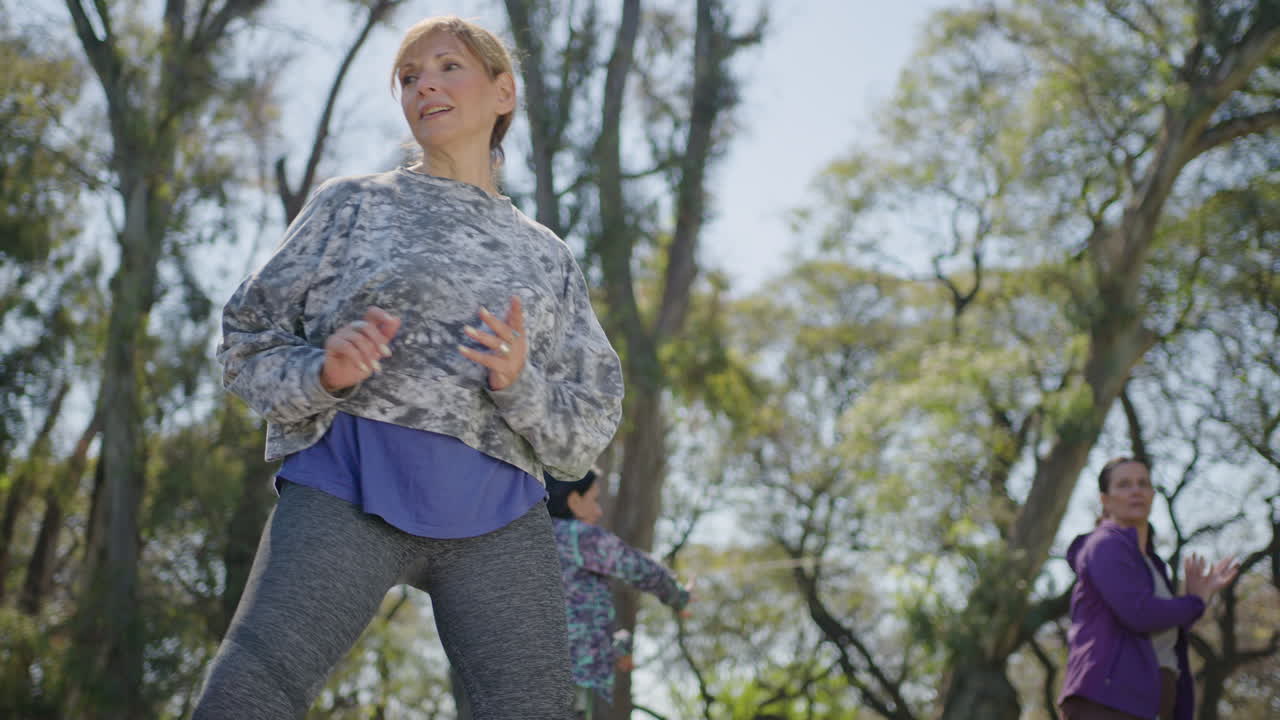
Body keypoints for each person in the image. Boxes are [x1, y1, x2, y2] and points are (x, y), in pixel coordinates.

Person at [193, 15, 623, 720]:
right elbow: (244, 340)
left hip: (499, 519)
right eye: (408, 76)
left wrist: (521, 384)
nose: (424, 83)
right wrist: (322, 373)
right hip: (346, 489)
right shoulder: (352, 204)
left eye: (447, 66)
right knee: (248, 695)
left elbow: (588, 425)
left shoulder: (546, 254)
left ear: (503, 91)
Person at [1058, 457, 1239, 720]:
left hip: (1148, 703)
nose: (1136, 490)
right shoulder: (1105, 545)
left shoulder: (1152, 564)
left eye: (1143, 483)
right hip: (1105, 702)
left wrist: (1197, 599)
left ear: (1153, 494)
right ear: (1105, 500)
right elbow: (1140, 613)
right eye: (1124, 484)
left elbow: (1159, 634)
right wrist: (1193, 603)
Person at [545, 469, 692, 719]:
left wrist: (616, 644)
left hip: (541, 675)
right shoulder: (576, 536)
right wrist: (678, 595)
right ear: (574, 501)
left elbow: (572, 613)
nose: (599, 510)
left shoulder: (540, 540)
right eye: (594, 499)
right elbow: (634, 565)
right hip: (570, 680)